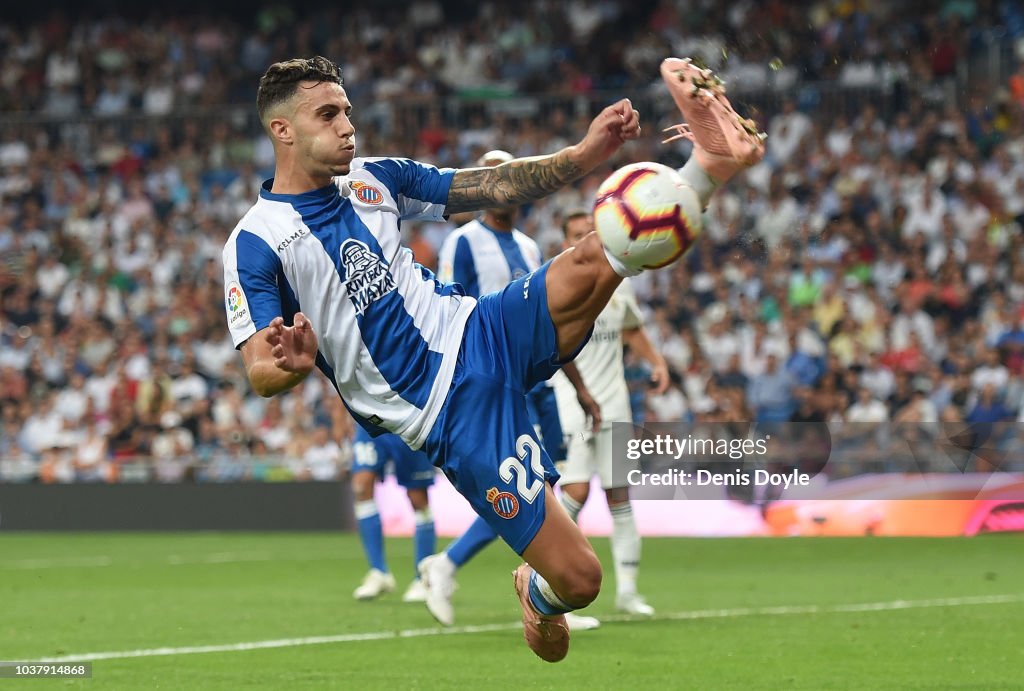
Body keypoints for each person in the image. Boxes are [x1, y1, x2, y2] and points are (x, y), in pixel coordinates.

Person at [223, 55, 763, 662]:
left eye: (347, 111)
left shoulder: (378, 178)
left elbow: (492, 186)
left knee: (599, 255)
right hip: (448, 416)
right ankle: (537, 591)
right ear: (283, 130)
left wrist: (587, 152)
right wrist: (288, 366)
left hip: (479, 329)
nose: (348, 126)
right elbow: (259, 370)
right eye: (328, 115)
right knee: (581, 581)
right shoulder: (256, 241)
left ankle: (708, 166)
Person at [418, 151, 601, 630]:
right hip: (489, 377)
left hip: (539, 379)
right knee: (526, 483)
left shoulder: (527, 246)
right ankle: (463, 566)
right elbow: (451, 313)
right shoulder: (462, 242)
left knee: (546, 482)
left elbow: (549, 322)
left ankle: (543, 579)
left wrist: (578, 386)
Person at [552, 210, 670, 620]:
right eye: (575, 232)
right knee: (575, 492)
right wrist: (580, 395)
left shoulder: (617, 283)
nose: (583, 236)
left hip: (615, 403)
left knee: (619, 496)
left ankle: (629, 592)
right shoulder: (558, 281)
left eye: (589, 231)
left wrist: (657, 362)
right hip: (573, 404)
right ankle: (548, 582)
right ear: (564, 238)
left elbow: (632, 329)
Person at [350, 428, 436, 603]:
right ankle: (379, 572)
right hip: (369, 418)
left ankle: (423, 578)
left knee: (418, 499)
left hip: (406, 419)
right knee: (361, 487)